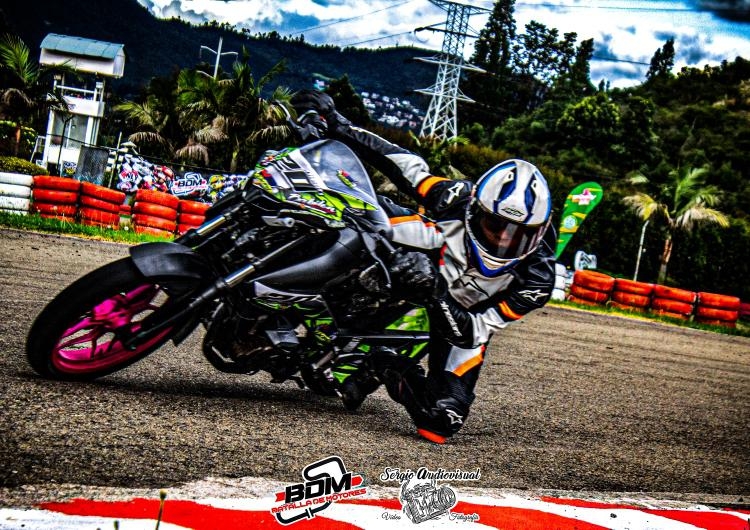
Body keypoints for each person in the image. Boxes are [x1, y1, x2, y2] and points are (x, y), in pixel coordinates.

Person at [291, 90, 557, 444]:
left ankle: (385, 364)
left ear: (539, 231)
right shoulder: (457, 197)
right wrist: (336, 124)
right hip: (423, 258)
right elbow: (401, 163)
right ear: (475, 208)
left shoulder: (537, 281)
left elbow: (473, 332)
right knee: (357, 210)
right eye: (495, 226)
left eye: (519, 234)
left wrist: (436, 294)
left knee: (441, 422)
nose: (504, 240)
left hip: (462, 316)